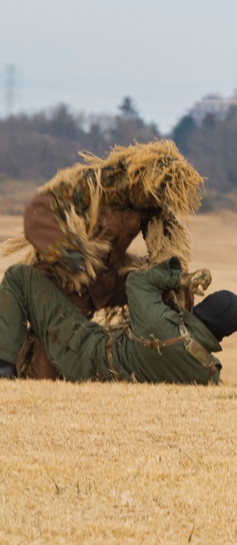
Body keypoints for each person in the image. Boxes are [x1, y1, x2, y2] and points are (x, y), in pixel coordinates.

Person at [0, 139, 204, 378]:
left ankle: (181, 357)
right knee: (46, 366)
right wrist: (73, 258)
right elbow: (40, 211)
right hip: (61, 281)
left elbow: (168, 250)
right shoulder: (95, 184)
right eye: (158, 194)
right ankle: (7, 369)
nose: (159, 202)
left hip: (104, 282)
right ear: (144, 178)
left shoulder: (150, 201)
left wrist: (174, 280)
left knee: (173, 287)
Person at [0, 257, 237, 384]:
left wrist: (179, 280)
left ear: (204, 308)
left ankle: (5, 368)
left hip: (84, 354)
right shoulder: (209, 370)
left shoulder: (159, 323)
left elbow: (137, 282)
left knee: (19, 277)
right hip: (107, 378)